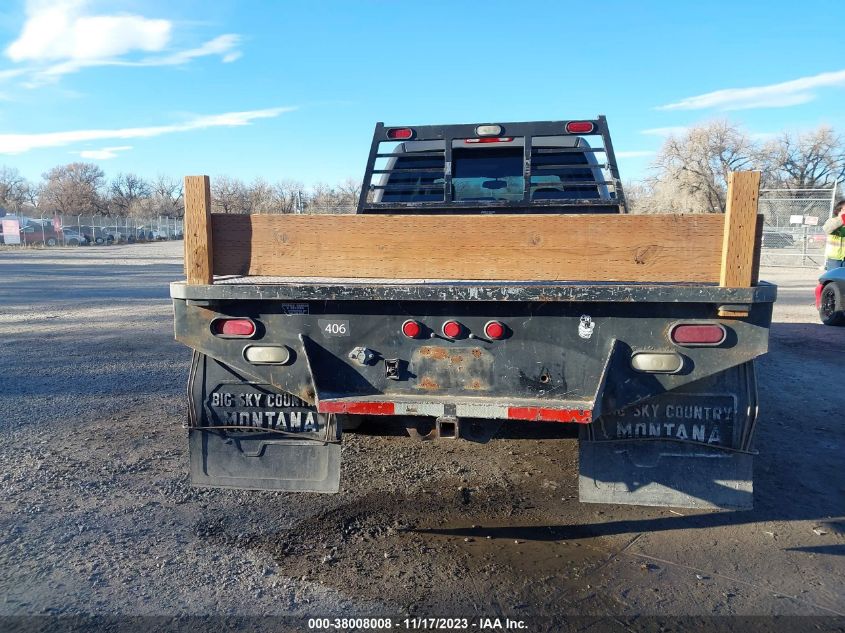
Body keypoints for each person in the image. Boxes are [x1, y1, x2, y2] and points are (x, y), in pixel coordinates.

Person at [822, 199, 845, 270]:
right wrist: (842, 219)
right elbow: (827, 229)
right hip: (834, 259)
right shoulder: (832, 221)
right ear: (840, 210)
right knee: (833, 280)